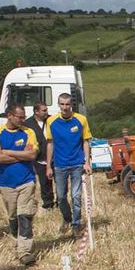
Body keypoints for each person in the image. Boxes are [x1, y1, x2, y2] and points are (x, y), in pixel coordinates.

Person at [0, 104, 39, 266]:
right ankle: (17, 241)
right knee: (13, 216)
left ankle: (24, 251)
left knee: (25, 215)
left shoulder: (28, 132)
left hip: (27, 180)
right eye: (20, 117)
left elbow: (31, 154)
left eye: (24, 117)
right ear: (9, 116)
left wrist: (7, 151)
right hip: (6, 184)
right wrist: (21, 155)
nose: (23, 120)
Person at [44, 93, 92, 238]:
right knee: (60, 197)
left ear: (71, 105)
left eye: (67, 104)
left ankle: (76, 224)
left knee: (76, 196)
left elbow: (85, 141)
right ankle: (67, 218)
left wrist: (87, 162)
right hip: (59, 164)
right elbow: (50, 143)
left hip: (77, 163)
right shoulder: (51, 121)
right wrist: (48, 166)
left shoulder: (81, 119)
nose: (65, 107)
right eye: (62, 104)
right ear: (58, 105)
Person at [24, 102, 55, 209]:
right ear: (36, 111)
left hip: (55, 157)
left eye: (46, 110)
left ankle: (61, 202)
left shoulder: (52, 120)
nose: (47, 112)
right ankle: (48, 204)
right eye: (44, 110)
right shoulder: (27, 124)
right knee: (44, 182)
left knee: (60, 183)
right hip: (39, 158)